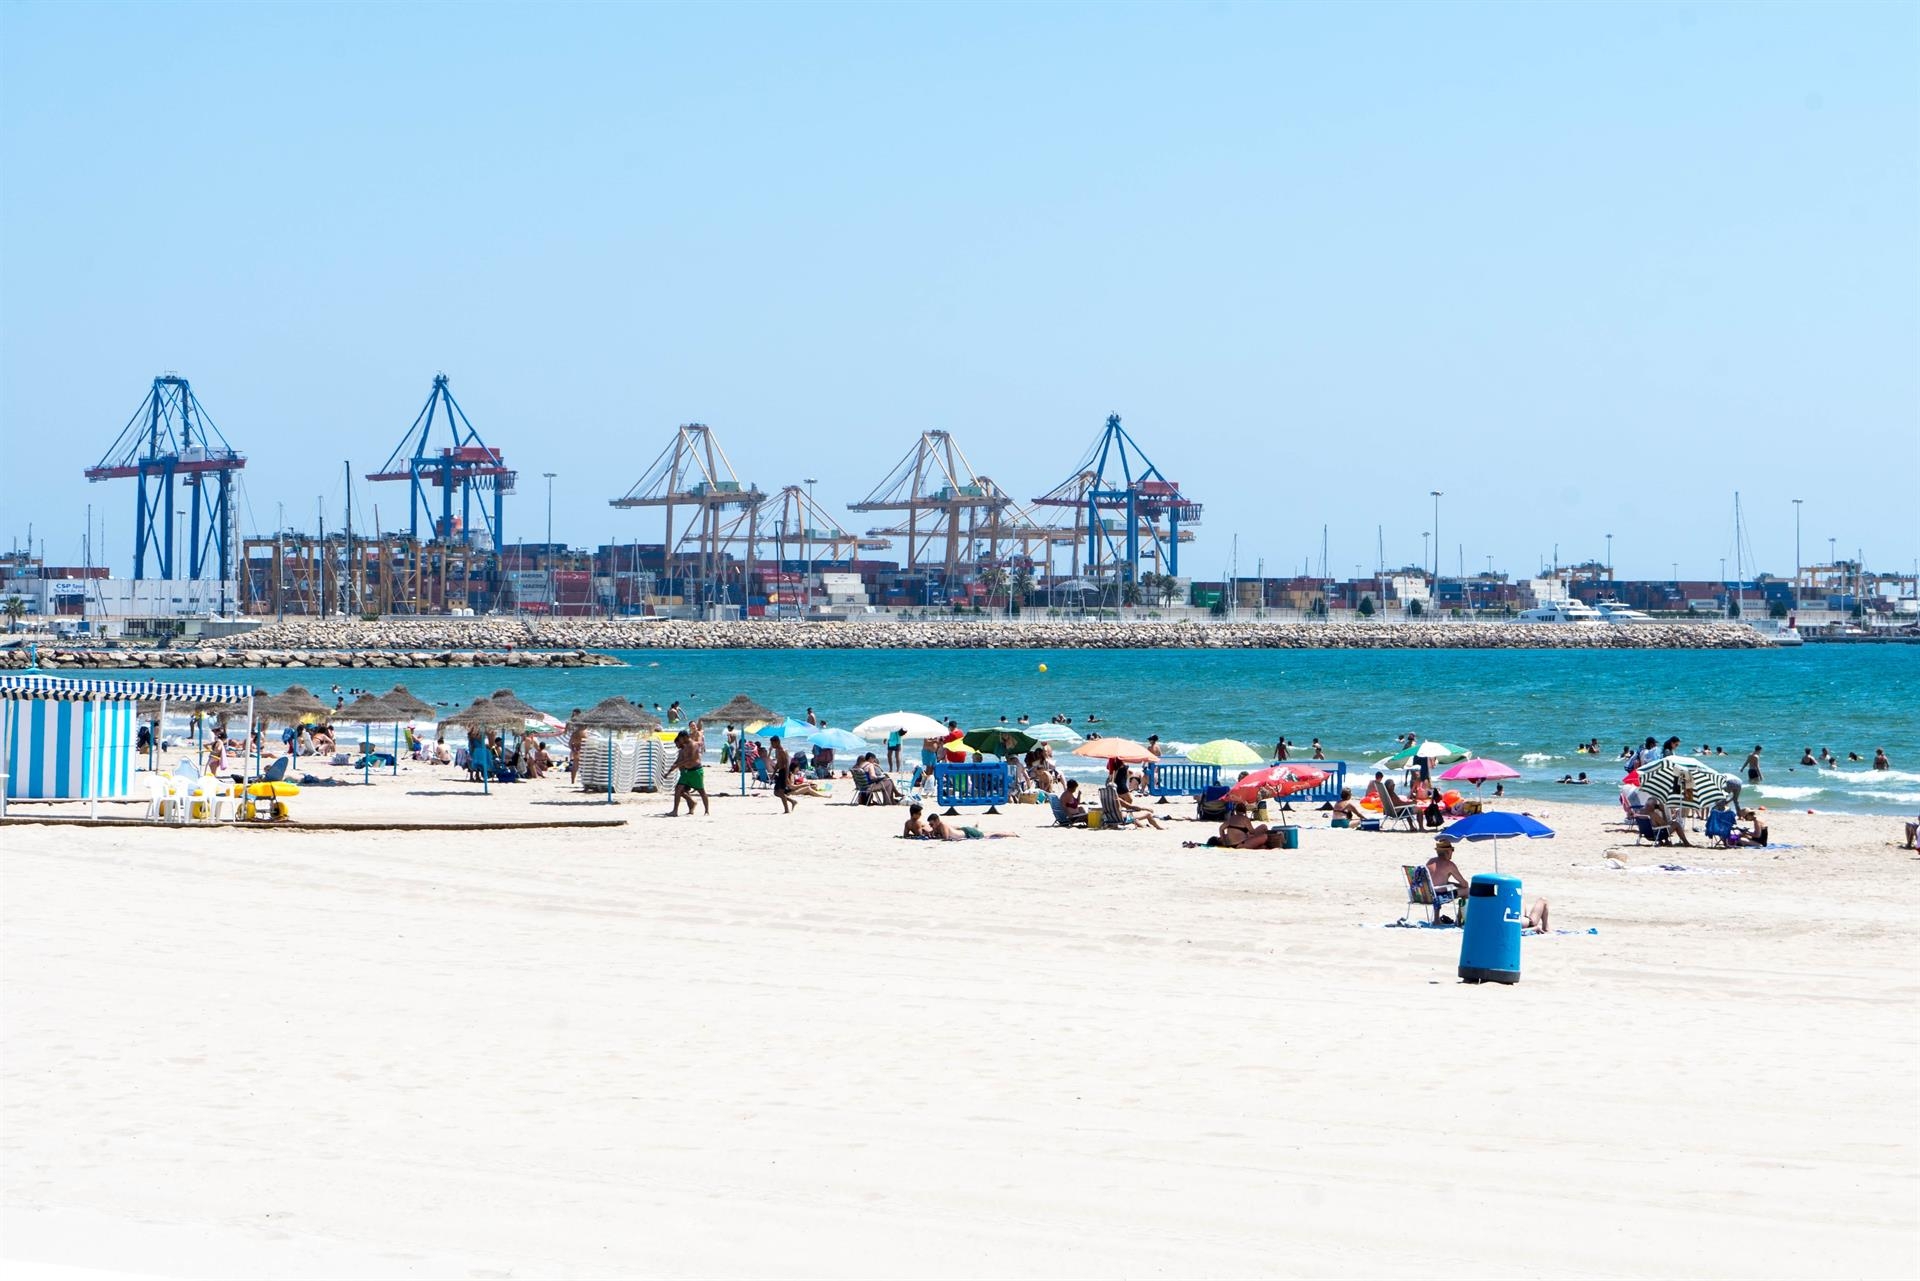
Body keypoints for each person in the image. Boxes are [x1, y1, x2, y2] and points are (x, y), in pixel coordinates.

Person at [1426, 836, 1470, 924]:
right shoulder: (1449, 865)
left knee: (1440, 889)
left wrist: (1453, 884)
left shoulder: (1430, 861)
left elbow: (1435, 881)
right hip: (1438, 897)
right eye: (1452, 850)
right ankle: (1459, 920)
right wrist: (1460, 885)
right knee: (1467, 891)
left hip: (1427, 895)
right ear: (1447, 852)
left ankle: (1436, 919)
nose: (1452, 852)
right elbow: (1464, 884)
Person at [770, 736, 794, 813]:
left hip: (784, 772)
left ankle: (787, 810)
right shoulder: (777, 751)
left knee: (780, 792)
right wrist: (774, 774)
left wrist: (787, 777)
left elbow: (787, 764)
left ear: (777, 742)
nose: (771, 745)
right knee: (776, 792)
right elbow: (778, 763)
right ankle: (792, 801)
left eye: (772, 743)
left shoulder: (782, 751)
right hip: (781, 771)